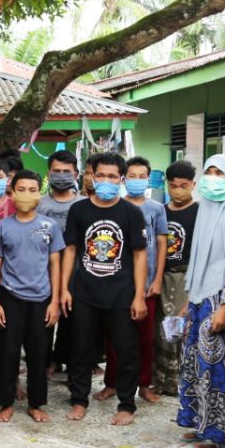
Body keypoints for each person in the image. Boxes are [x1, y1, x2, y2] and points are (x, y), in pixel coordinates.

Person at [60, 151, 148, 426]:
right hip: (84, 291)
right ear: (92, 177)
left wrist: (138, 295)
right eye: (101, 175)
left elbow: (139, 255)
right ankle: (79, 400)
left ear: (121, 180)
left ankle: (126, 404)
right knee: (81, 348)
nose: (106, 180)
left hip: (121, 293)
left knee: (126, 350)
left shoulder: (131, 213)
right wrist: (64, 288)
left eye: (112, 176)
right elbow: (71, 250)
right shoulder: (79, 209)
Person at [176, 155, 225, 448]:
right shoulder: (207, 210)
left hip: (221, 300)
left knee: (220, 369)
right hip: (199, 298)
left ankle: (223, 436)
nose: (213, 178)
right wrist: (188, 298)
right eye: (208, 171)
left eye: (220, 173)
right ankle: (204, 424)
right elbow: (198, 261)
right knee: (198, 365)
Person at [0, 170, 64, 423]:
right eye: (22, 189)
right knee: (7, 353)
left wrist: (54, 301)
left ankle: (36, 404)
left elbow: (55, 264)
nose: (27, 194)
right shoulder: (2, 226)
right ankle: (6, 403)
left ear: (39, 195)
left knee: (38, 353)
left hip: (42, 299)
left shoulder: (49, 226)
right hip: (9, 297)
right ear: (12, 192)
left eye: (33, 190)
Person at [97, 156, 166, 404]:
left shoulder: (157, 209)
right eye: (132, 176)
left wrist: (157, 279)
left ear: (149, 179)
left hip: (146, 286)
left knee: (145, 338)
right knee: (114, 339)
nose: (137, 181)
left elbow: (161, 244)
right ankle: (112, 383)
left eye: (142, 176)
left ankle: (144, 384)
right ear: (124, 180)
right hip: (118, 286)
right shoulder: (115, 207)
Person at [155, 160, 198, 396]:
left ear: (193, 184)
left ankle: (177, 382)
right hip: (162, 277)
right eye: (174, 185)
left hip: (186, 277)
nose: (178, 190)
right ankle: (159, 379)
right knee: (160, 328)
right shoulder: (161, 210)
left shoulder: (200, 213)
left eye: (184, 185)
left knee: (177, 328)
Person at [39, 150, 84, 376]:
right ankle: (47, 362)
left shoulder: (84, 204)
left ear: (76, 173)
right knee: (44, 322)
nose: (62, 176)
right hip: (43, 273)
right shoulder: (39, 204)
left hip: (77, 274)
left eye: (67, 172)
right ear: (49, 173)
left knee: (73, 323)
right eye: (57, 171)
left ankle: (66, 362)